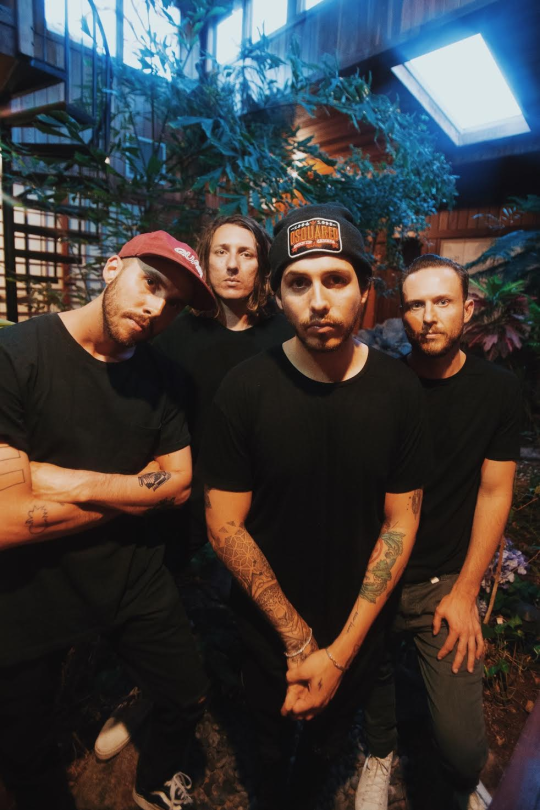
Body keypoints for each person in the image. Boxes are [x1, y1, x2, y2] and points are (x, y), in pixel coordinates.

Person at [200, 204, 428, 809]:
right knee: (268, 748)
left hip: (358, 626)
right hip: (266, 629)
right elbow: (223, 525)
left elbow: (401, 521)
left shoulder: (400, 392)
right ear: (277, 295)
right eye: (299, 283)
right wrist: (300, 643)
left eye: (336, 279)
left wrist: (340, 654)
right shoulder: (244, 389)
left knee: (326, 749)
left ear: (364, 290)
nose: (319, 301)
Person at [0, 231, 216, 810]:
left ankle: (155, 782)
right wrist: (135, 494)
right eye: (151, 283)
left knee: (187, 694)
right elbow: (7, 522)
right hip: (29, 584)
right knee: (25, 750)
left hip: (130, 574)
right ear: (112, 268)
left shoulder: (165, 378)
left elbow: (180, 486)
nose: (156, 308)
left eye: (174, 303)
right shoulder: (15, 355)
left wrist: (65, 481)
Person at [357, 255, 520, 810]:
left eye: (442, 302)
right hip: (377, 569)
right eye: (416, 304)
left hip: (443, 581)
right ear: (402, 313)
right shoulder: (381, 385)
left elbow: (495, 492)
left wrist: (467, 591)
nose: (428, 316)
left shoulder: (497, 391)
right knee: (372, 675)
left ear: (467, 309)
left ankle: (459, 778)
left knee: (463, 751)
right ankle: (379, 749)